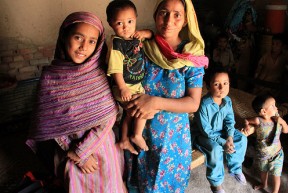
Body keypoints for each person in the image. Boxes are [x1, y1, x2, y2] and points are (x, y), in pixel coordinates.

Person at [26, 12, 126, 193]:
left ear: (98, 44)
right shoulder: (50, 77)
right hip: (69, 152)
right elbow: (49, 122)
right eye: (78, 37)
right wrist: (75, 153)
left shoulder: (99, 74)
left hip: (102, 148)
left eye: (92, 41)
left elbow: (110, 117)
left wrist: (82, 150)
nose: (83, 47)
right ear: (64, 37)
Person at [124, 0, 209, 192]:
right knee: (137, 184)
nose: (169, 20)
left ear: (186, 20)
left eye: (177, 14)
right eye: (163, 12)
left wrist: (154, 102)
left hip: (172, 140)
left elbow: (193, 103)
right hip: (139, 132)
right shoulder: (143, 47)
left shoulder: (191, 54)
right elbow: (126, 82)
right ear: (155, 15)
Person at [106, 0, 153, 154]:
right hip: (125, 87)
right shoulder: (117, 44)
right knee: (144, 110)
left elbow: (152, 34)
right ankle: (137, 135)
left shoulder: (135, 37)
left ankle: (123, 140)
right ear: (111, 23)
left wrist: (144, 33)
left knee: (128, 115)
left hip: (135, 85)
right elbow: (115, 69)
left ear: (136, 19)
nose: (126, 27)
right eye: (119, 23)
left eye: (130, 21)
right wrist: (122, 88)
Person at [193, 67, 248, 193]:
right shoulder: (203, 105)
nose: (221, 88)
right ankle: (216, 184)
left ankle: (235, 168)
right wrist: (224, 142)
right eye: (216, 84)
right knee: (215, 149)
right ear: (208, 86)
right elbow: (206, 130)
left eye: (225, 83)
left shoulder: (227, 101)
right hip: (204, 135)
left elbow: (230, 121)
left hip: (221, 131)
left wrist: (229, 137)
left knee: (241, 138)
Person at [241, 94, 288, 193]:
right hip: (262, 155)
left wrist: (282, 122)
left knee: (276, 175)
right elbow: (246, 119)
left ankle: (275, 192)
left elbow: (286, 131)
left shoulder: (277, 119)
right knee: (263, 171)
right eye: (273, 106)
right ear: (263, 111)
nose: (276, 108)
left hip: (277, 155)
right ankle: (264, 184)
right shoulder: (258, 121)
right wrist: (246, 125)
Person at [253, 34, 287, 98]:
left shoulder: (284, 58)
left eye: (277, 44)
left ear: (282, 46)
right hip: (261, 85)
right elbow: (259, 69)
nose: (274, 46)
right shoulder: (266, 56)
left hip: (274, 88)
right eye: (273, 44)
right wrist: (256, 78)